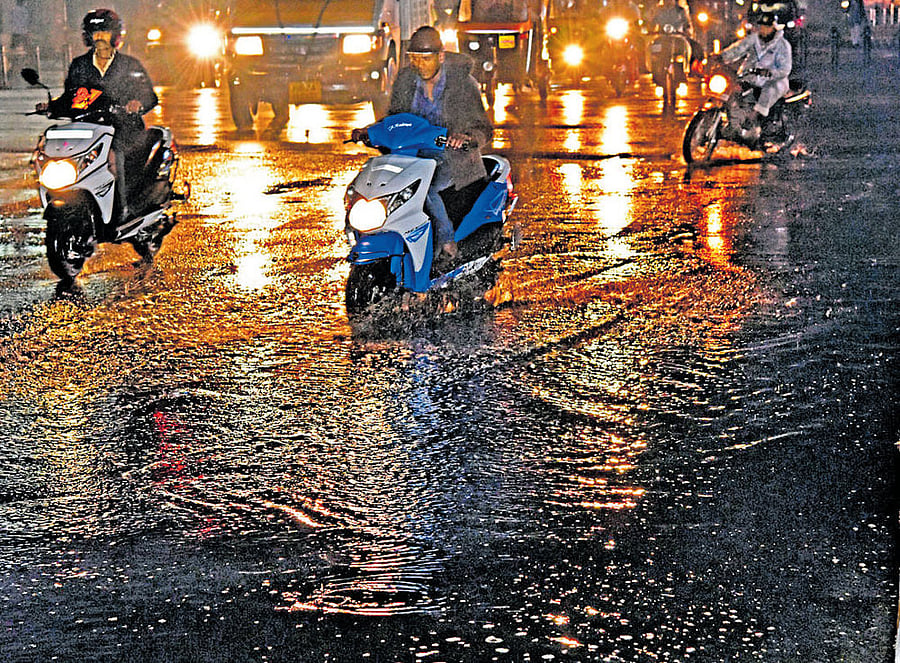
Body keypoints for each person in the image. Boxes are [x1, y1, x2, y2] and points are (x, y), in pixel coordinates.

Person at [354, 26, 492, 260]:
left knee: (422, 187)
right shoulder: (406, 82)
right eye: (414, 59)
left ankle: (447, 242)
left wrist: (466, 137)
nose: (419, 65)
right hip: (412, 156)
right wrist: (371, 131)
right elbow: (395, 117)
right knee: (370, 183)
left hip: (452, 158)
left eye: (425, 59)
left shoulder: (463, 84)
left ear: (440, 56)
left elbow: (483, 127)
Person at [39, 8, 158, 222]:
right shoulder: (79, 66)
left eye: (105, 33)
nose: (100, 38)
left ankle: (121, 211)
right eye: (95, 33)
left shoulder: (130, 66)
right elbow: (72, 97)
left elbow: (149, 95)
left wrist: (137, 104)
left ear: (115, 37)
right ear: (88, 37)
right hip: (88, 128)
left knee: (114, 156)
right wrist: (51, 106)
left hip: (123, 129)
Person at [719, 10, 791, 139]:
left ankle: (753, 119)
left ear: (773, 27)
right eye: (762, 26)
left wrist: (770, 73)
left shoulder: (782, 45)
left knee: (768, 92)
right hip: (750, 76)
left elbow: (785, 69)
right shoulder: (754, 39)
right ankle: (733, 124)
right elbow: (738, 49)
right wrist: (722, 57)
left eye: (767, 27)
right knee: (733, 91)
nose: (764, 30)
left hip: (774, 81)